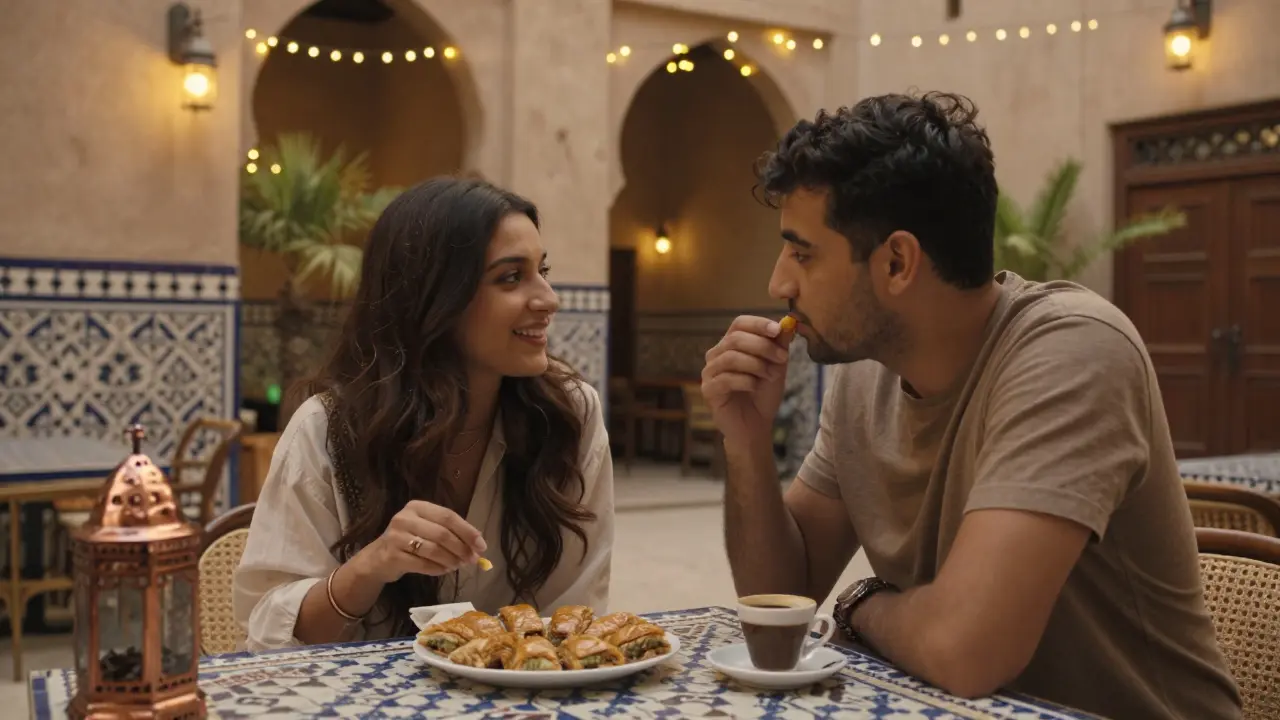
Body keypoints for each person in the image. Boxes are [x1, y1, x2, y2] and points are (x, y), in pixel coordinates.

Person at [703, 92, 1241, 719]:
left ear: (898, 262)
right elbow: (783, 598)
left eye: (802, 252)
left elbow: (966, 651)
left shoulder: (1073, 351)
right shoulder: (862, 379)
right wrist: (745, 441)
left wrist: (862, 605)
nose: (779, 283)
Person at [234, 177, 614, 650]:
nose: (548, 299)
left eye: (543, 270)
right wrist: (371, 566)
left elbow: (575, 614)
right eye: (510, 277)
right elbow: (270, 631)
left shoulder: (568, 416)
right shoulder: (330, 428)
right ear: (434, 299)